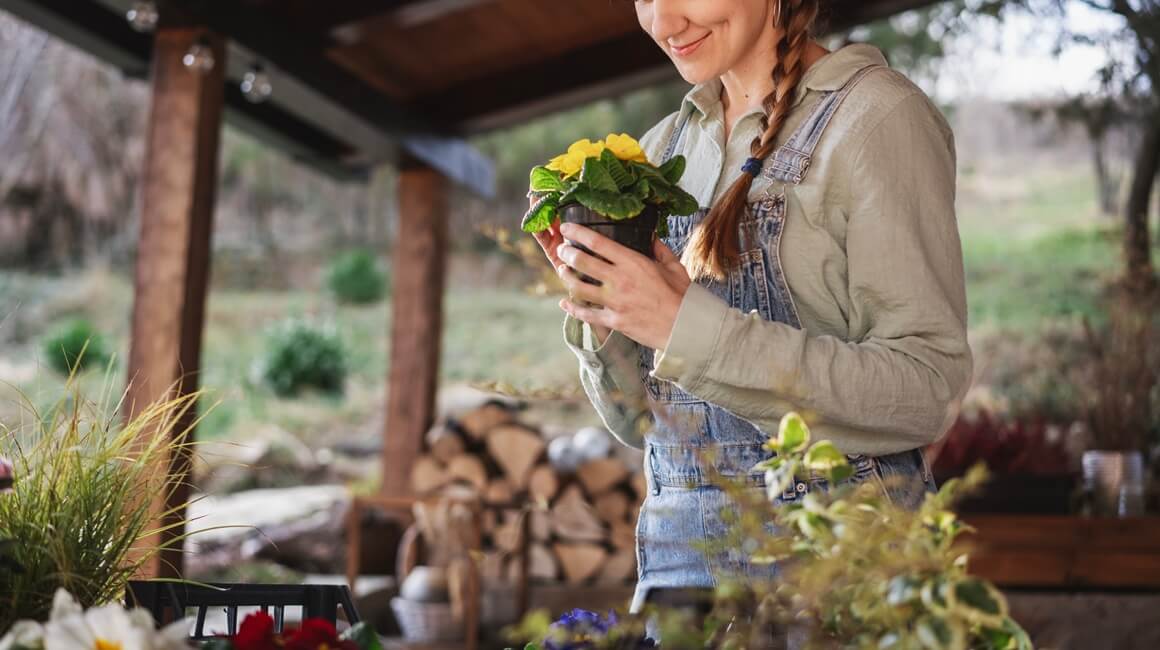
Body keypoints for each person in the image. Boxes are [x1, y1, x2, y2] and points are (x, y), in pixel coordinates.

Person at [531, 0, 972, 622]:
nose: (664, 22)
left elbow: (927, 389)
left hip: (840, 573)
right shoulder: (659, 151)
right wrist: (605, 313)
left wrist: (683, 327)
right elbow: (641, 427)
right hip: (680, 576)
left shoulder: (876, 119)